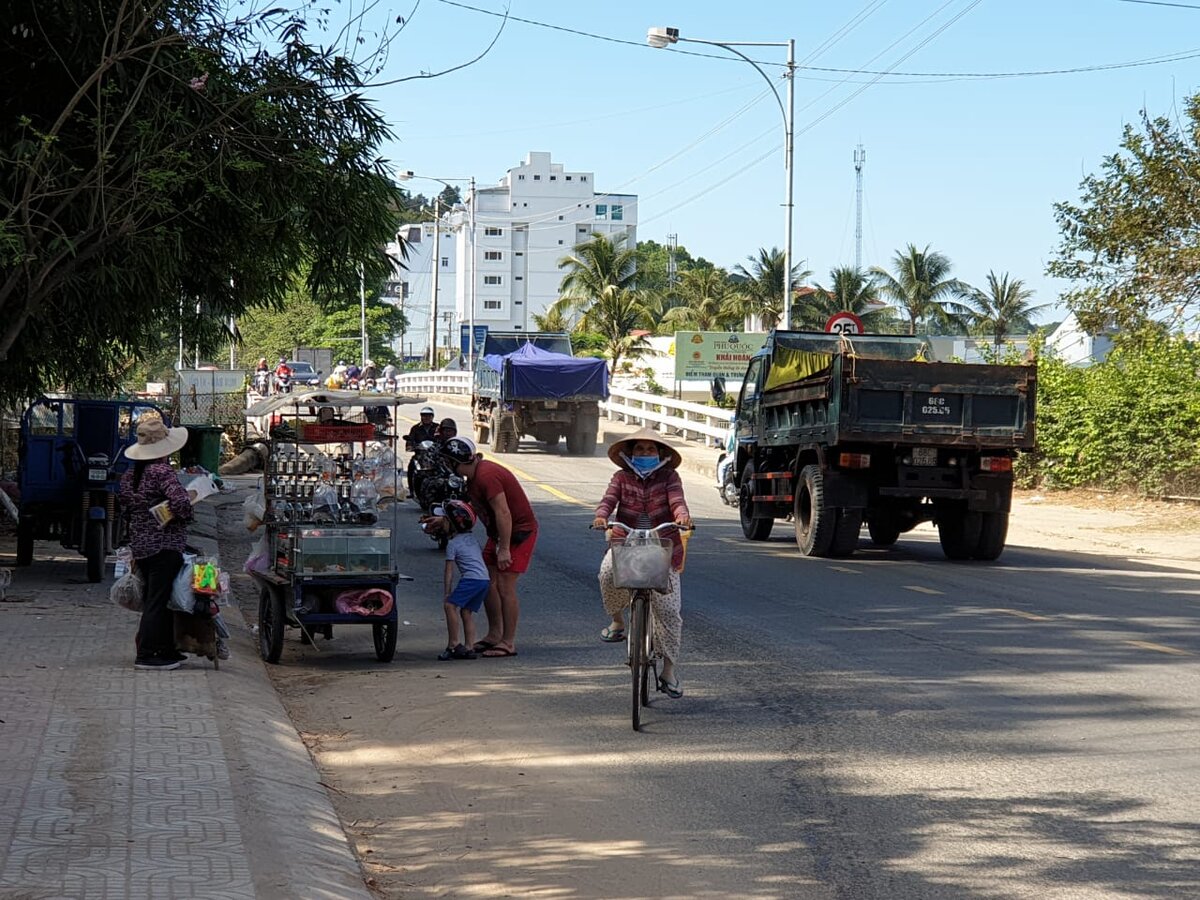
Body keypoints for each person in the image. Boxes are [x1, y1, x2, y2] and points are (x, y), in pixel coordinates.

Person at [591, 427, 692, 698]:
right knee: (606, 574)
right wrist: (601, 516)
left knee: (670, 611)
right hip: (626, 544)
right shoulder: (621, 477)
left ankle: (669, 672)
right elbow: (608, 501)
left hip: (663, 547)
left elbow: (677, 502)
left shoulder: (670, 477)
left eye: (650, 449)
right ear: (630, 453)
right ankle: (617, 623)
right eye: (639, 449)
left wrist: (682, 516)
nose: (645, 454)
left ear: (660, 453)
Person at [442, 436, 537, 658]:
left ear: (458, 461)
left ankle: (508, 642)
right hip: (500, 533)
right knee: (486, 580)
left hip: (518, 533)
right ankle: (495, 634)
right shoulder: (473, 477)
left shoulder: (487, 475)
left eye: (449, 462)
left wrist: (504, 549)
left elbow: (503, 512)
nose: (448, 467)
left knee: (504, 585)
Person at [119, 418, 194, 670]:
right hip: (164, 546)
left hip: (141, 546)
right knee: (158, 601)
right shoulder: (161, 472)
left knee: (155, 597)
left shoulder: (130, 476)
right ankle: (149, 654)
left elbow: (127, 508)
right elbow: (181, 503)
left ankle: (164, 648)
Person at [435, 499, 489, 661]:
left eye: (444, 520)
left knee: (449, 606)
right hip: (484, 580)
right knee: (466, 612)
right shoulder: (472, 539)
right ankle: (469, 647)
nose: (441, 523)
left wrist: (447, 592)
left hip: (472, 579)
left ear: (452, 524)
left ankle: (453, 645)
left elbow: (449, 571)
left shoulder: (452, 544)